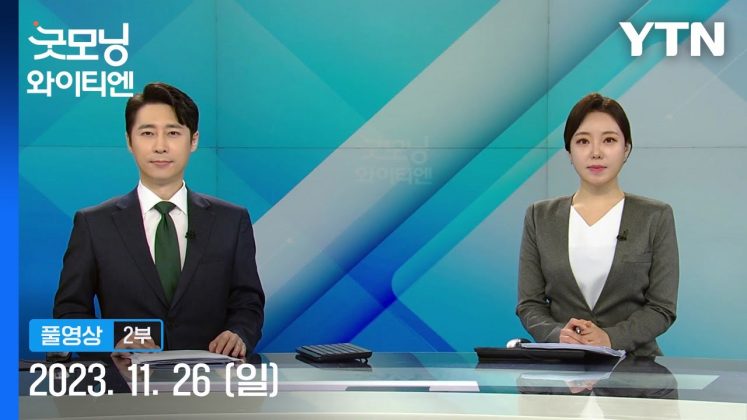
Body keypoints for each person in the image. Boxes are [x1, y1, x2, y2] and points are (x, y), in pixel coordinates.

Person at [53, 82, 265, 358]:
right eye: (147, 133)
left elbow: (248, 303)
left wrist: (239, 333)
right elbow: (68, 315)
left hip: (212, 377)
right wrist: (114, 342)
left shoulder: (231, 221)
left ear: (193, 140)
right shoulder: (94, 224)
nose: (160, 146)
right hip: (125, 380)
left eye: (173, 133)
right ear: (129, 141)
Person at [516, 93, 678, 357]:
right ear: (569, 151)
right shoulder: (540, 217)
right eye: (583, 141)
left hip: (636, 370)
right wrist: (558, 335)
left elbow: (662, 308)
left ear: (626, 149)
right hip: (563, 370)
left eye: (609, 140)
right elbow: (530, 304)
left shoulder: (655, 216)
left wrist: (610, 338)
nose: (596, 152)